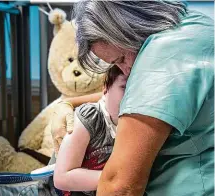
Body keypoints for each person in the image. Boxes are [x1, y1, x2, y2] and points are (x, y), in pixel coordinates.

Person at [51, 1, 214, 196]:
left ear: (125, 29)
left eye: (120, 59)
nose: (127, 71)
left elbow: (121, 187)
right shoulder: (194, 24)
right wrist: (69, 102)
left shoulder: (158, 60)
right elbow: (170, 97)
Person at [54, 66, 126, 196]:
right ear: (105, 88)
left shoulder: (136, 124)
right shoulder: (91, 116)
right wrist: (117, 180)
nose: (132, 97)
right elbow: (61, 178)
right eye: (125, 87)